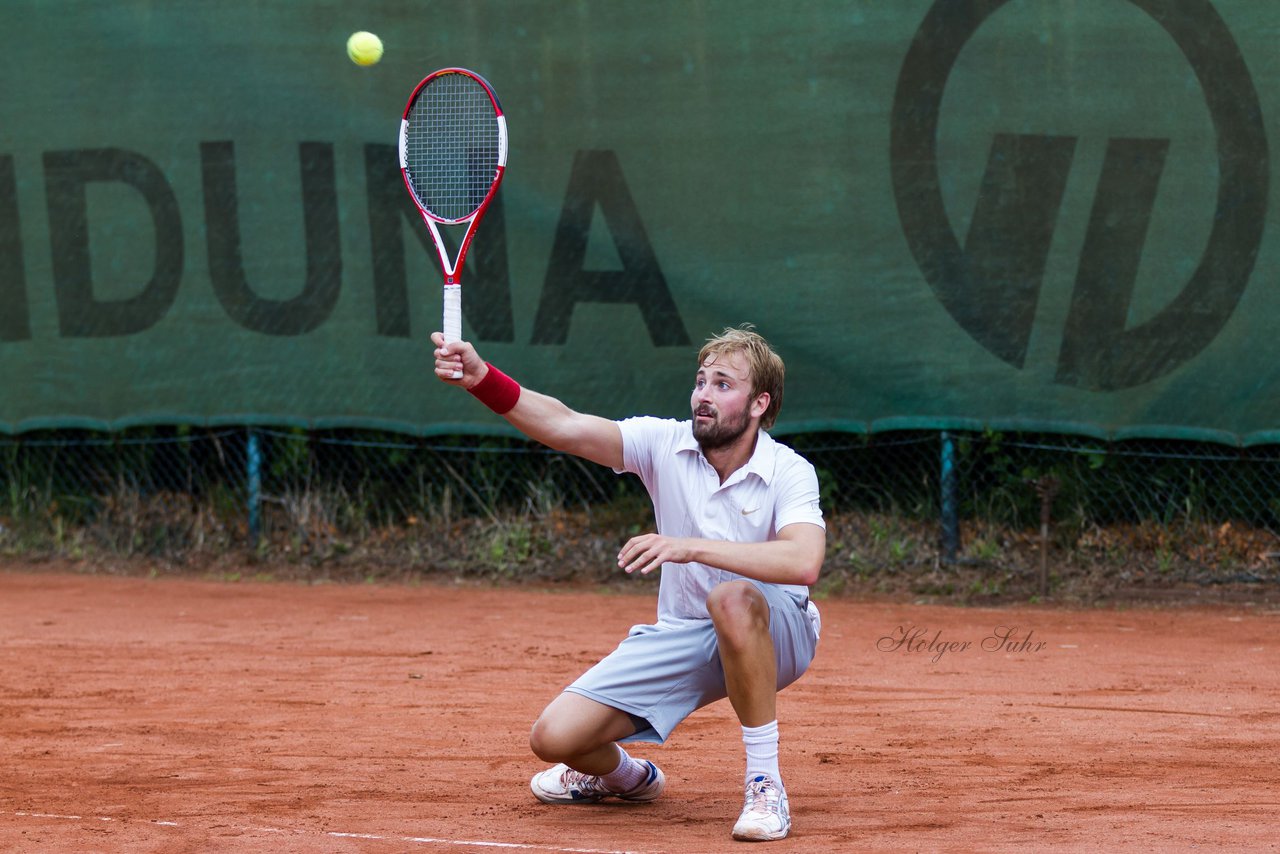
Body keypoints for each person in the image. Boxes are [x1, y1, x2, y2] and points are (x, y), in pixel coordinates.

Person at [430, 324, 825, 843]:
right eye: (701, 381)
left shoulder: (788, 471)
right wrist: (483, 379)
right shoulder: (664, 442)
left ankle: (764, 785)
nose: (703, 395)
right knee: (555, 737)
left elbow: (803, 562)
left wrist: (687, 546)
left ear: (759, 404)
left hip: (780, 633)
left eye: (723, 385)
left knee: (730, 596)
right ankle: (628, 778)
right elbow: (565, 426)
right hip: (685, 632)